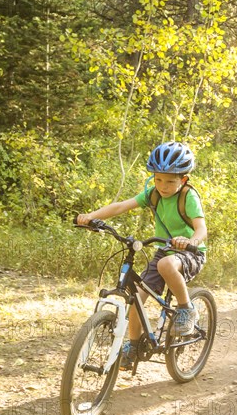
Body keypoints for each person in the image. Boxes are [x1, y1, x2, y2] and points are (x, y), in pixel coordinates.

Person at [77, 141, 207, 369]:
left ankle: (186, 309)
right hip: (165, 251)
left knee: (166, 264)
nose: (163, 186)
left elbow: (202, 230)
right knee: (136, 297)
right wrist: (91, 217)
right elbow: (120, 206)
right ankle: (135, 346)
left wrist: (190, 242)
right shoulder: (153, 194)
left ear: (183, 180)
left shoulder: (188, 197)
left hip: (190, 253)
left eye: (170, 181)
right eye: (158, 179)